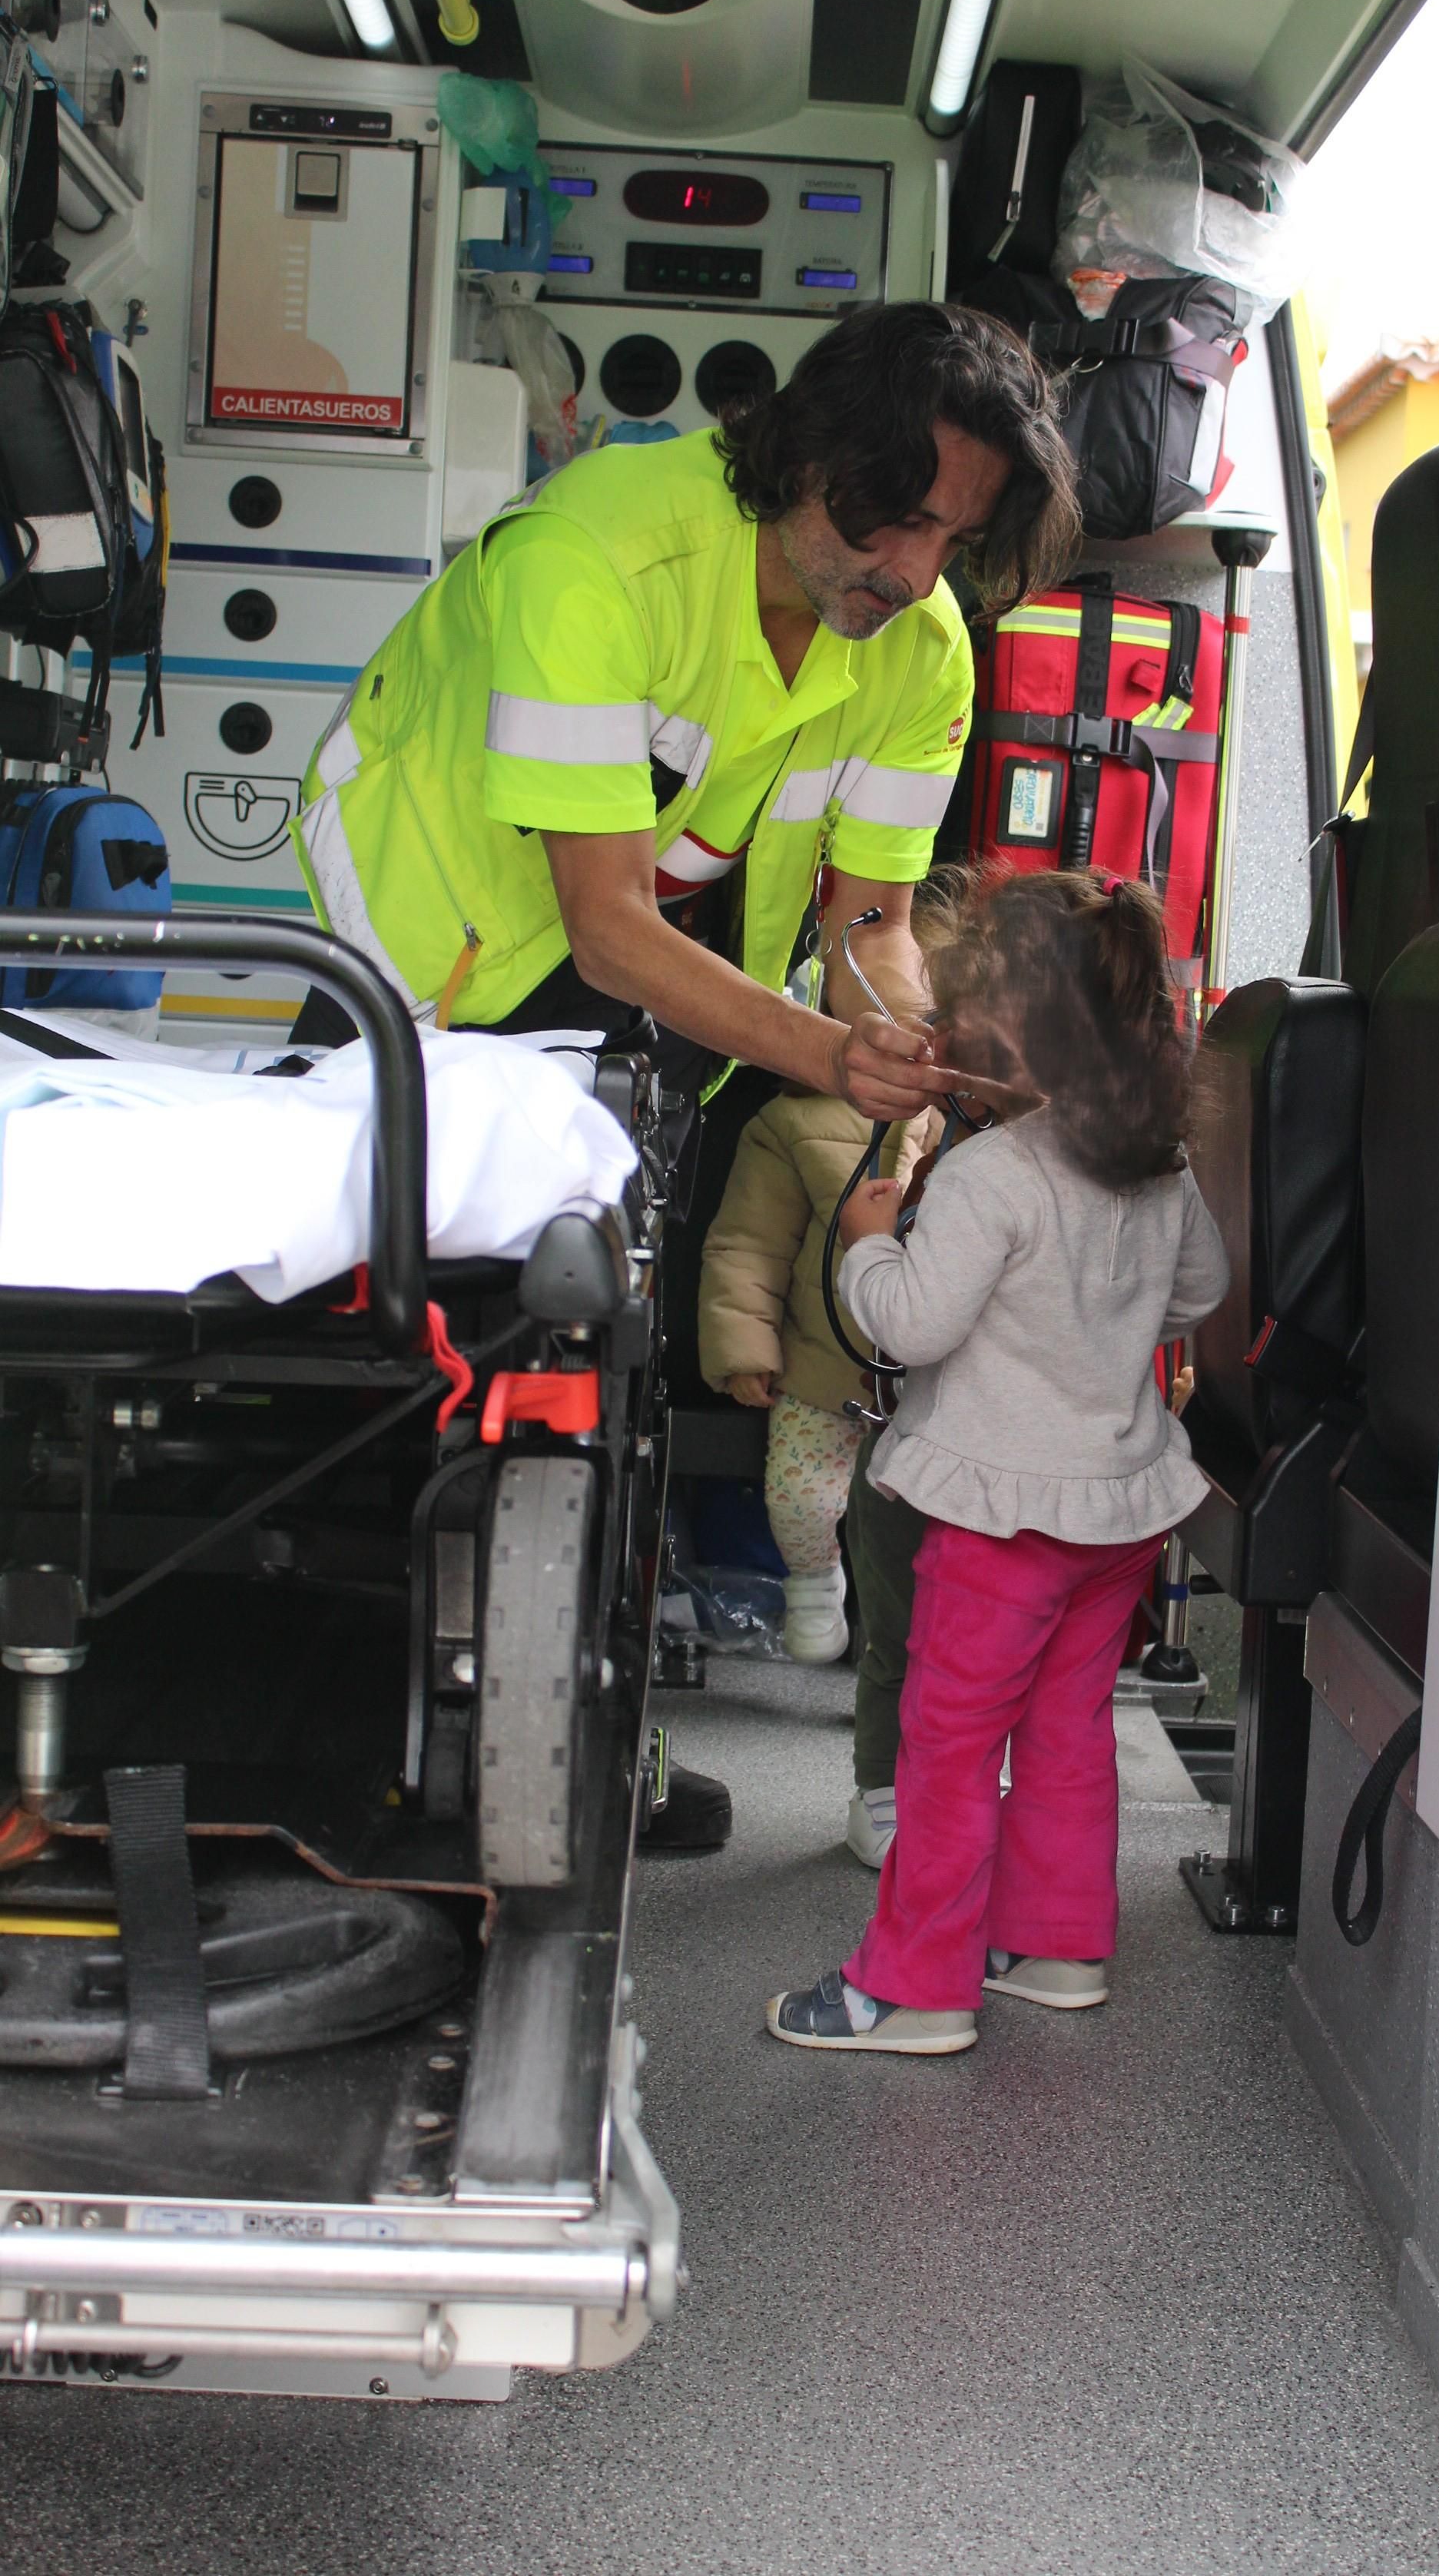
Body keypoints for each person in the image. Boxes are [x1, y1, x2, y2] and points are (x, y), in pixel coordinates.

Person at [290, 302, 1080, 1846]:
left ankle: (579, 1723)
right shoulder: (594, 554)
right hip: (436, 963)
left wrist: (914, 1046)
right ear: (808, 456)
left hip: (675, 978)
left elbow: (867, 921)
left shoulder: (920, 648)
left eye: (955, 536)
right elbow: (602, 925)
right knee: (399, 1352)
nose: (915, 568)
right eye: (896, 516)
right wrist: (832, 1052)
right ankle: (350, 1729)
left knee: (611, 1361)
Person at [766, 869, 1228, 2054]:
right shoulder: (1160, 1169)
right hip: (1120, 1514)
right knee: (1070, 1732)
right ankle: (1057, 1946)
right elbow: (1199, 1294)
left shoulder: (990, 1174)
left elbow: (911, 1327)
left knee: (950, 1750)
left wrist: (868, 1244)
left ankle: (914, 1985)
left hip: (1000, 1526)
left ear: (1011, 1032)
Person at [696, 1085, 938, 1679]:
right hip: (822, 1361)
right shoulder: (792, 1121)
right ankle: (814, 1583)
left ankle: (905, 1641)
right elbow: (750, 1244)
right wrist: (746, 1350)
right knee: (800, 1496)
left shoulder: (962, 1112)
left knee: (919, 1523)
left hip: (930, 1374)